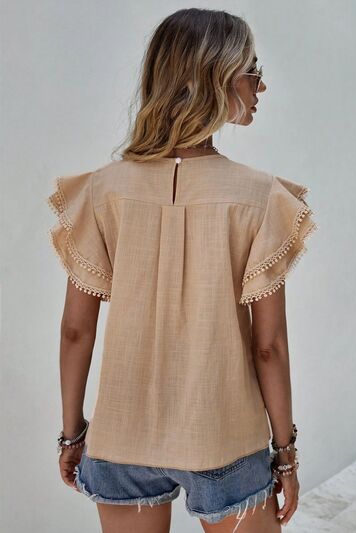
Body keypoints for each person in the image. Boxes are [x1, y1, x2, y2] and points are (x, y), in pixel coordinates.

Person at [48, 7, 318, 533]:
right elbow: (268, 346)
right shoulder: (261, 198)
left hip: (121, 438)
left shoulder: (103, 191)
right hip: (224, 438)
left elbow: (76, 330)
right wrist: (285, 455)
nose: (261, 85)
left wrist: (72, 432)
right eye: (253, 70)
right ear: (218, 77)